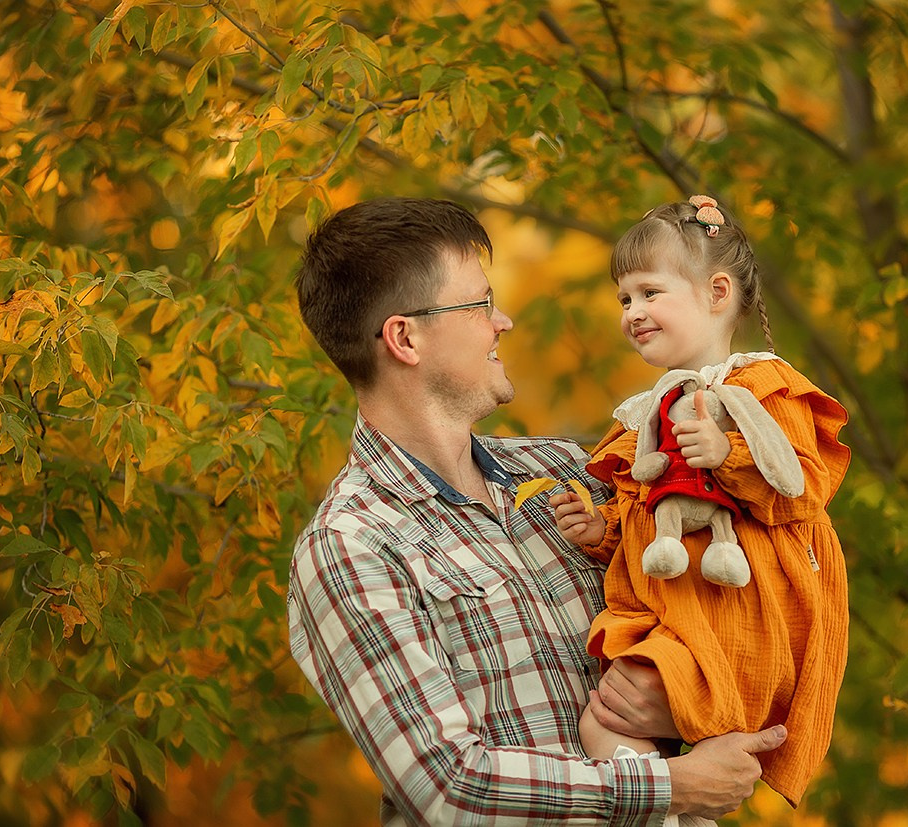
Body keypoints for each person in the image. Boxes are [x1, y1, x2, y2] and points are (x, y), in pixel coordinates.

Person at [286, 196, 788, 826]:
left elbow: (731, 596)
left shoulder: (564, 470)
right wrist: (666, 785)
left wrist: (692, 696)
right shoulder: (351, 546)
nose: (504, 321)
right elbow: (448, 787)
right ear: (405, 337)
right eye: (478, 304)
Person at [550, 196, 850, 807]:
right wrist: (599, 529)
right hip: (676, 615)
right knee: (604, 724)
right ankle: (678, 813)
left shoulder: (764, 388)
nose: (633, 311)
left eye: (649, 292)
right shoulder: (645, 417)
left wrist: (728, 454)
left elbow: (803, 488)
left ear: (717, 293)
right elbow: (649, 514)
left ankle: (672, 796)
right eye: (624, 299)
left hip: (741, 614)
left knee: (611, 716)